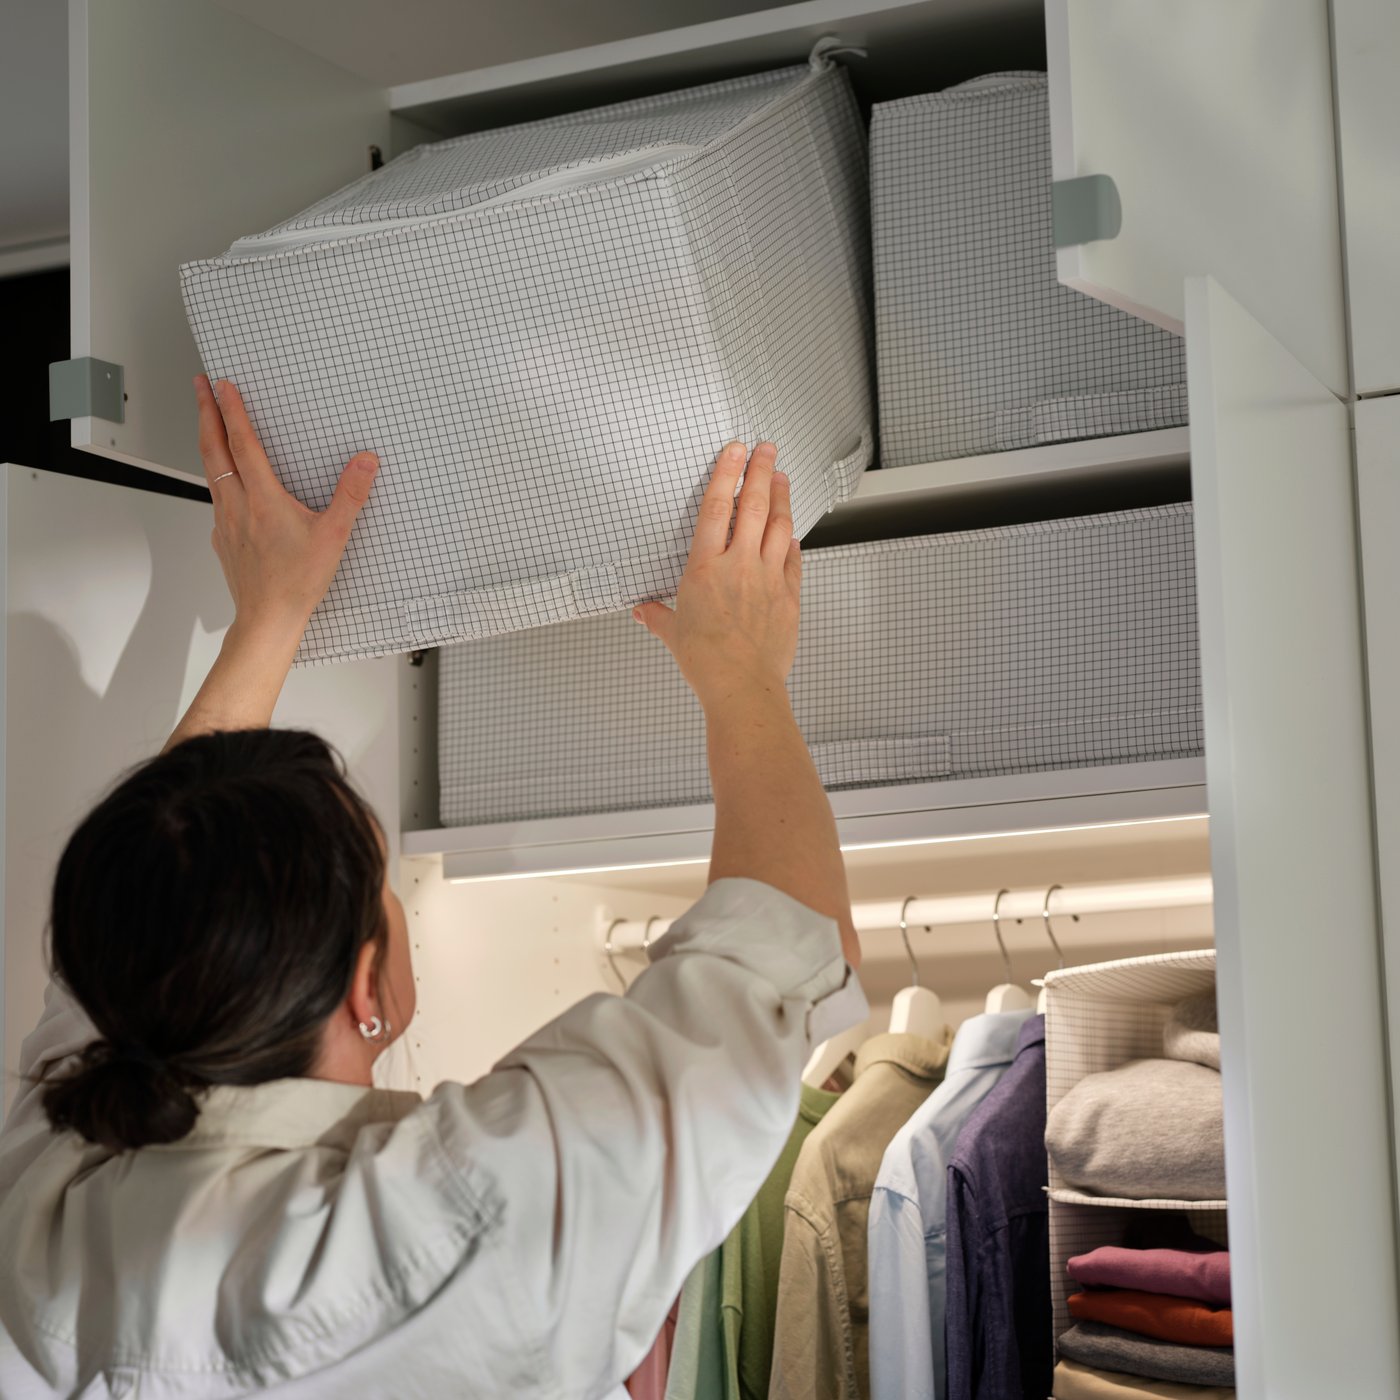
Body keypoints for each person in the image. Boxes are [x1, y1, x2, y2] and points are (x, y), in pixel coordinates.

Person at [0, 377, 865, 1397]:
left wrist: (270, 613)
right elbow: (778, 953)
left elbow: (162, 883)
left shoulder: (61, 1199)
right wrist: (742, 674)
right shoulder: (461, 1216)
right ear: (370, 989)